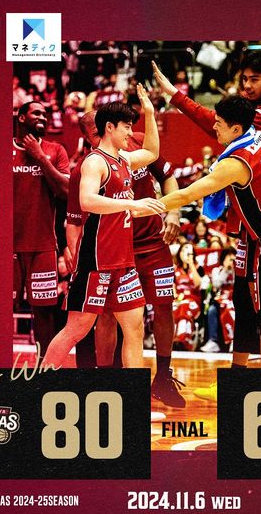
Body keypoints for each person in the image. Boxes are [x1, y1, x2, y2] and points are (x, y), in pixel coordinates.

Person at [137, 96, 261, 371]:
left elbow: (186, 195)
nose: (214, 129)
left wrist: (138, 209)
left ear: (236, 128)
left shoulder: (235, 163)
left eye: (219, 124)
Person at [153, 52, 261, 388]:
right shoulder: (258, 135)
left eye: (254, 80)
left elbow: (190, 192)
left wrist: (142, 207)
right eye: (243, 79)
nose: (246, 86)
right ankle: (245, 379)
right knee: (248, 303)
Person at [66, 110, 186, 407]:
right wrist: (76, 257)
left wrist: (174, 212)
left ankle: (163, 378)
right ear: (88, 138)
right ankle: (110, 382)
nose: (103, 135)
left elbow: (168, 176)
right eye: (94, 134)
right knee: (107, 316)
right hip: (116, 248)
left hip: (153, 242)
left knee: (163, 305)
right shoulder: (88, 167)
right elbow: (75, 219)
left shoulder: (135, 145)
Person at [41, 85, 165, 369]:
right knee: (76, 329)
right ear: (110, 127)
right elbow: (87, 201)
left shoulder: (124, 159)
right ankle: (39, 382)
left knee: (135, 328)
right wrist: (132, 204)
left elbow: (152, 151)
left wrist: (149, 112)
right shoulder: (95, 162)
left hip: (124, 262)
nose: (130, 133)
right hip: (96, 261)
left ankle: (132, 392)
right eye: (126, 127)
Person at [13, 101, 70, 359]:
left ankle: (45, 370)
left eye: (46, 114)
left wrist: (39, 157)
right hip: (6, 247)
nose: (43, 117)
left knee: (44, 312)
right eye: (37, 113)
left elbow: (65, 191)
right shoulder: (1, 150)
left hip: (43, 245)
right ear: (21, 117)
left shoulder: (55, 150)